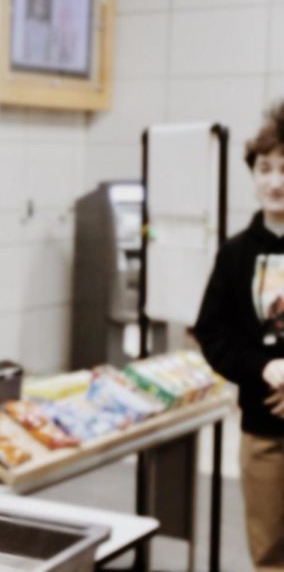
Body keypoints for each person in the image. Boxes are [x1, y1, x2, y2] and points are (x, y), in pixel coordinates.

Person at [195, 103, 284, 572]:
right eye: (266, 169)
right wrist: (264, 368)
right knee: (269, 554)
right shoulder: (235, 254)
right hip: (263, 431)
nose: (275, 181)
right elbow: (212, 332)